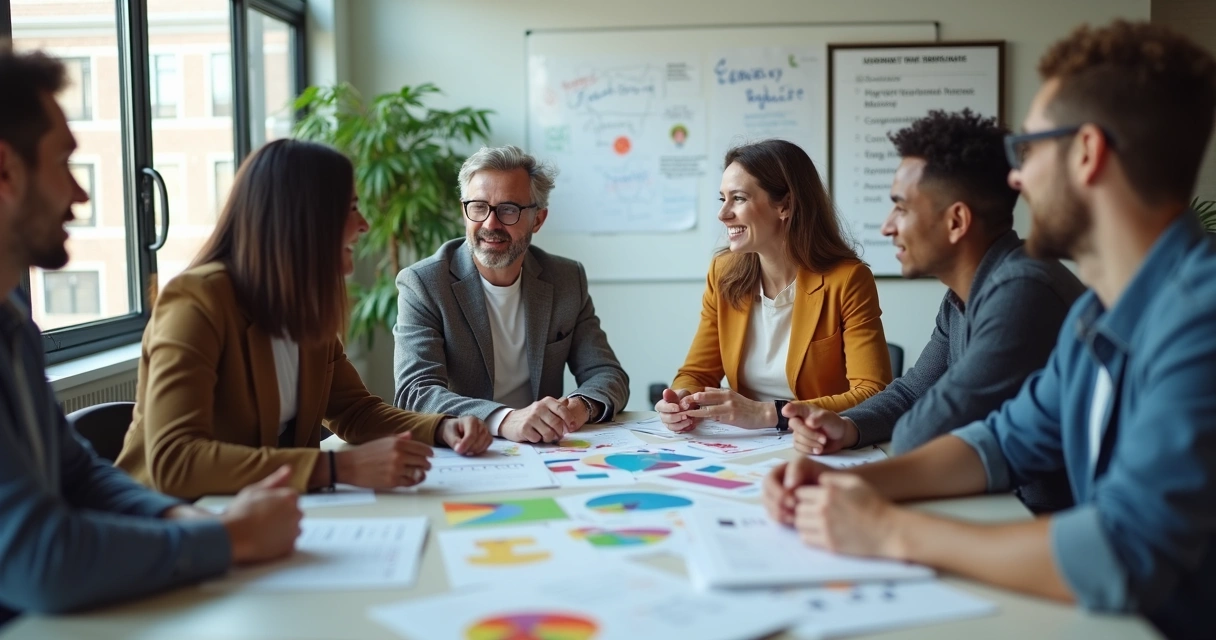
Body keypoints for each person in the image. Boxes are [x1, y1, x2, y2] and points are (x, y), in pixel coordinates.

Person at [764, 21, 1216, 639]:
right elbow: (1002, 441)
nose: (1016, 179)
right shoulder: (1098, 315)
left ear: (1087, 153)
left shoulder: (1200, 317)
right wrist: (850, 483)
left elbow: (1124, 551)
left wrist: (891, 531)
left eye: (1028, 151)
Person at [0, 46, 301, 623]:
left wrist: (187, 524)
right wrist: (228, 540)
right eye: (64, 163)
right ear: (6, 171)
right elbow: (39, 558)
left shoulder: (13, 320)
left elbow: (79, 473)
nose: (81, 195)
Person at [115, 139, 492, 500]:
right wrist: (336, 467)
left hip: (262, 511)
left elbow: (355, 411)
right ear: (303, 219)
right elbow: (175, 460)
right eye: (350, 208)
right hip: (169, 522)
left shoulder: (302, 305)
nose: (363, 225)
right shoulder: (196, 301)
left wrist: (440, 427)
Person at [790, 110, 1085, 512]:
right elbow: (913, 391)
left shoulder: (1023, 292)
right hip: (1008, 508)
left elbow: (920, 433)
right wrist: (849, 426)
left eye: (902, 208)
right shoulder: (963, 296)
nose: (887, 227)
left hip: (1048, 523)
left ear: (956, 221)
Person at [394, 145, 629, 444]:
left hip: (545, 447)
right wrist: (504, 419)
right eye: (478, 206)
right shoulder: (424, 284)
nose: (490, 224)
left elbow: (608, 373)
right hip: (468, 449)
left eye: (508, 209)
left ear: (538, 219)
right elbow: (415, 391)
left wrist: (580, 407)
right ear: (463, 212)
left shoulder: (567, 279)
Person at [656, 140, 891, 433]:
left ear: (786, 205)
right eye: (722, 199)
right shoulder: (723, 273)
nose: (723, 213)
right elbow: (696, 372)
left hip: (819, 442)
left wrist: (770, 414)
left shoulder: (847, 280)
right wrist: (681, 399)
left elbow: (872, 393)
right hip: (743, 447)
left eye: (738, 198)